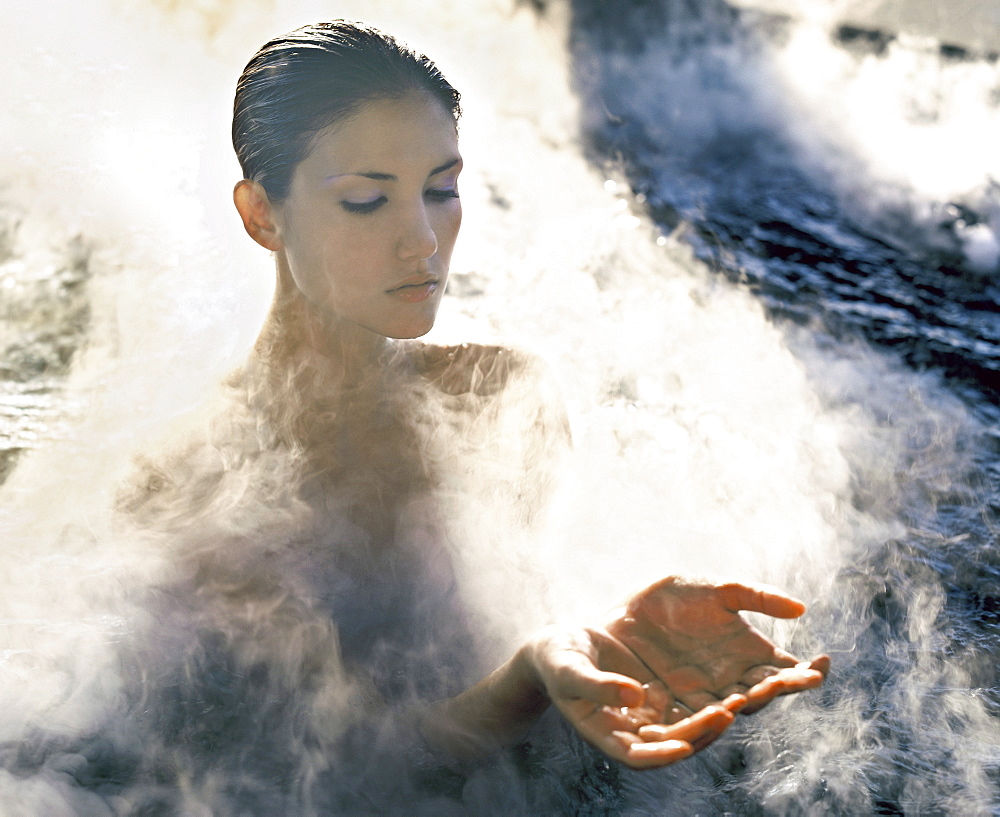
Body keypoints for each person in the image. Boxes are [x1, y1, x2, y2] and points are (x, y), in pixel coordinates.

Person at [120, 19, 828, 811]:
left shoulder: (503, 396)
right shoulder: (190, 482)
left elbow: (525, 623)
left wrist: (615, 640)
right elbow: (324, 770)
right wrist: (530, 678)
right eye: (366, 200)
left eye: (441, 188)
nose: (422, 240)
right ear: (262, 216)